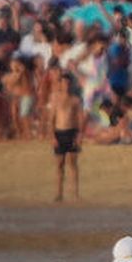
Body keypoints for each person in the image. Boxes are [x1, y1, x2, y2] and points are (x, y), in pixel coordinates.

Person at [50, 71, 82, 202]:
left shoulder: (75, 100)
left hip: (72, 132)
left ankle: (75, 194)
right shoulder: (55, 99)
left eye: (68, 83)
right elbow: (51, 119)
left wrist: (79, 135)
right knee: (59, 165)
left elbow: (79, 119)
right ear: (60, 84)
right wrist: (52, 136)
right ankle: (59, 193)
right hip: (59, 132)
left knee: (73, 164)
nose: (66, 85)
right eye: (64, 83)